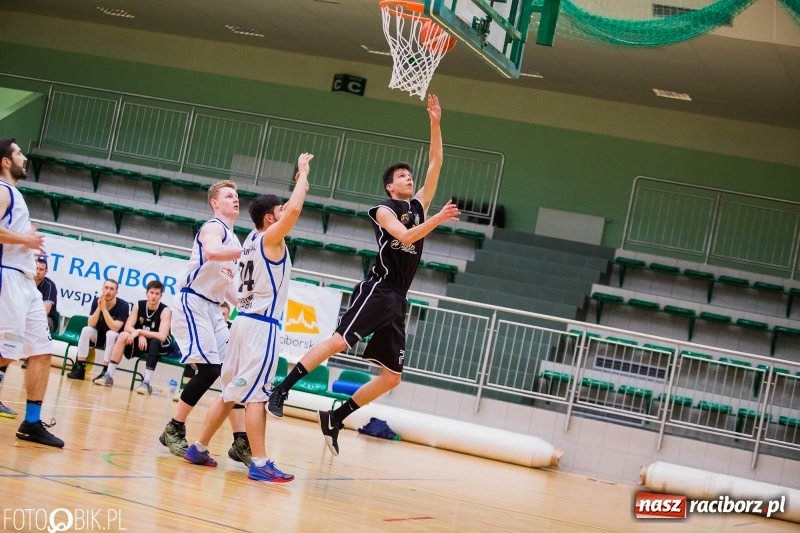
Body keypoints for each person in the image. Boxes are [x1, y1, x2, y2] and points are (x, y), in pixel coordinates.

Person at [267, 96, 460, 456]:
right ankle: (281, 389)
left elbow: (436, 162)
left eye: (409, 175)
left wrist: (435, 123)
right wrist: (437, 220)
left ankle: (336, 417)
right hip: (379, 288)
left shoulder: (418, 206)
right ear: (390, 186)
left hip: (399, 298)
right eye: (402, 176)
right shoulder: (384, 210)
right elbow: (404, 237)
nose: (409, 177)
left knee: (392, 377)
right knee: (340, 341)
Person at [182, 153, 313, 483]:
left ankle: (198, 446)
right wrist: (302, 175)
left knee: (230, 394)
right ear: (270, 219)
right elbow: (295, 210)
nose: (286, 216)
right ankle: (260, 462)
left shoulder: (251, 240)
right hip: (261, 329)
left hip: (241, 323)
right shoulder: (269, 238)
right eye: (279, 213)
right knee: (257, 396)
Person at [158, 179, 245, 459]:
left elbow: (228, 287)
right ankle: (174, 428)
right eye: (229, 196)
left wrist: (248, 305)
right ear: (215, 203)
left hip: (214, 306)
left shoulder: (235, 239)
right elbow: (211, 251)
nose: (235, 199)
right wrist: (249, 252)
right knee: (209, 370)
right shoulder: (213, 228)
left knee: (232, 372)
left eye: (237, 196)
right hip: (192, 301)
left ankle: (241, 441)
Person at [0, 137, 63, 446]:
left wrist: (25, 238)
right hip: (8, 279)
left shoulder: (14, 194)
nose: (24, 157)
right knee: (4, 353)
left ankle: (32, 422)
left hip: (26, 284)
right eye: (19, 153)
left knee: (41, 351)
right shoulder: (1, 190)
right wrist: (24, 241)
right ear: (5, 161)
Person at [94, 280, 172, 394]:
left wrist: (140, 332)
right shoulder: (139, 305)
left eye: (157, 293)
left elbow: (162, 336)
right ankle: (108, 375)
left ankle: (146, 382)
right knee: (123, 335)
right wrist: (140, 335)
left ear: (161, 296)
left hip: (160, 344)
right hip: (141, 341)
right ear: (146, 293)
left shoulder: (165, 310)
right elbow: (127, 327)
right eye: (151, 292)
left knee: (155, 342)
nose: (154, 296)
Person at [66, 279, 129, 381]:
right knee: (86, 330)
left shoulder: (123, 305)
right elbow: (90, 323)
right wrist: (99, 308)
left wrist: (104, 309)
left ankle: (105, 371)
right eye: (106, 288)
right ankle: (80, 368)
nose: (108, 291)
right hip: (99, 335)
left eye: (112, 289)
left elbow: (115, 327)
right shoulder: (97, 301)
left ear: (116, 292)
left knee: (111, 333)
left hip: (115, 339)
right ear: (102, 289)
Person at [34, 257, 58, 333]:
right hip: (28, 315)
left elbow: (45, 312)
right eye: (36, 268)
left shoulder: (50, 285)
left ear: (46, 272)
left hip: (47, 319)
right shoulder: (27, 281)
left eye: (41, 269)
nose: (37, 272)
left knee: (37, 323)